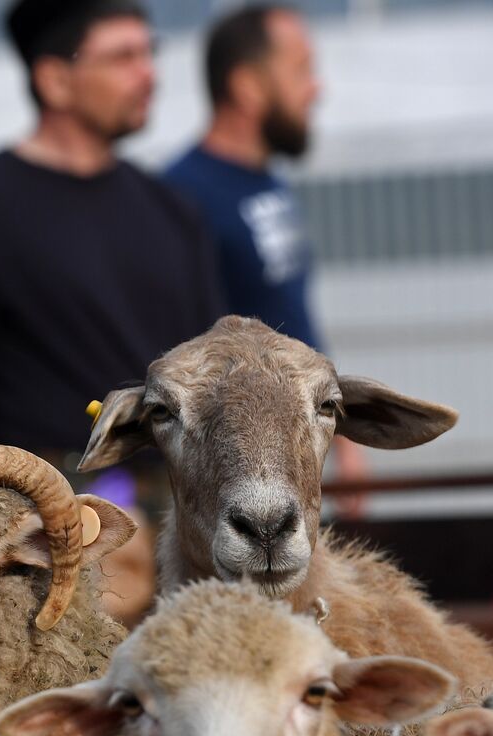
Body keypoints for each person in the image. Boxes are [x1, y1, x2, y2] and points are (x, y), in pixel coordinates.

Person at [0, 0, 224, 625]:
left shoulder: (169, 210)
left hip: (186, 505)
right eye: (123, 57)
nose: (149, 73)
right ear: (54, 79)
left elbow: (215, 360)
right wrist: (2, 511)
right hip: (55, 515)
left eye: (148, 52)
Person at [163, 3, 367, 509]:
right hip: (240, 480)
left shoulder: (268, 182)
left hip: (294, 455)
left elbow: (292, 321)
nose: (316, 88)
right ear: (247, 87)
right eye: (300, 69)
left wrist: (338, 440)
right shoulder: (181, 197)